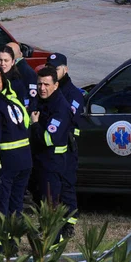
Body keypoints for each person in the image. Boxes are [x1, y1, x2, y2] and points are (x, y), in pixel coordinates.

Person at [29, 67, 75, 239]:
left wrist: (34, 125)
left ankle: (54, 239)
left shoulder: (60, 108)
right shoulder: (39, 100)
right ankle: (47, 232)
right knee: (42, 200)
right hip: (39, 160)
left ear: (55, 85)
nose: (42, 88)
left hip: (52, 162)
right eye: (40, 84)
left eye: (46, 84)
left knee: (50, 203)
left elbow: (48, 139)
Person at [0, 77, 31, 221]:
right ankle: (13, 239)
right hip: (25, 160)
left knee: (2, 202)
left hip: (8, 162)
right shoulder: (12, 102)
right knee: (16, 203)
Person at [47, 53, 84, 236]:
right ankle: (50, 221)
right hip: (48, 149)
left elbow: (69, 118)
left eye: (57, 68)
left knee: (67, 185)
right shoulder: (48, 90)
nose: (53, 71)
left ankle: (69, 224)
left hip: (67, 147)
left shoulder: (73, 94)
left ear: (65, 70)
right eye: (50, 67)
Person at [0, 43, 38, 108]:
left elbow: (31, 96)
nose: (2, 63)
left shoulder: (23, 73)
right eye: (0, 60)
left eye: (6, 60)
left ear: (12, 61)